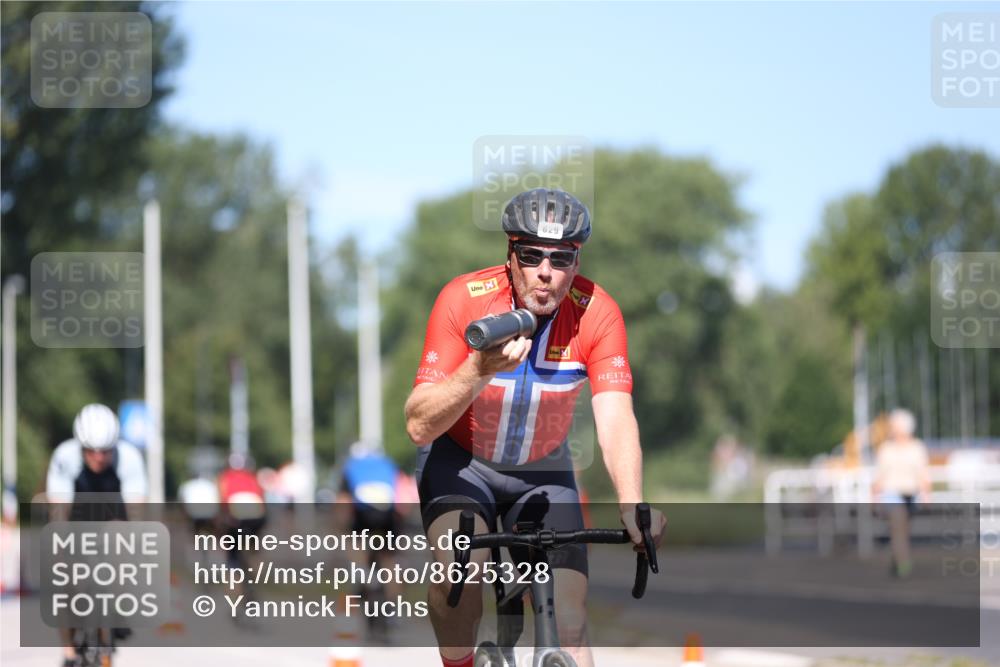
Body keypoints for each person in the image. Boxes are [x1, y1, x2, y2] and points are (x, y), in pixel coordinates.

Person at [404, 188, 666, 667]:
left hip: (543, 470)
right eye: (531, 255)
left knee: (570, 619)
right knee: (460, 575)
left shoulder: (598, 313)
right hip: (461, 463)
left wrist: (632, 503)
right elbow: (419, 424)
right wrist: (478, 369)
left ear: (576, 261)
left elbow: (615, 416)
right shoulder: (463, 299)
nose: (546, 271)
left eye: (561, 258)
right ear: (510, 255)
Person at [46, 403, 148, 667]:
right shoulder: (64, 457)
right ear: (81, 446)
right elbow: (58, 514)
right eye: (91, 451)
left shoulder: (130, 459)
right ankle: (69, 651)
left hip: (114, 519)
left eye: (105, 451)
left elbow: (137, 514)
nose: (99, 458)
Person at [336, 440, 404, 640]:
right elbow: (402, 496)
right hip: (387, 515)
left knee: (356, 547)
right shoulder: (388, 464)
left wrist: (341, 528)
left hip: (363, 515)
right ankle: (394, 608)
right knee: (390, 560)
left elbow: (343, 501)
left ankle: (362, 573)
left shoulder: (351, 466)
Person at [873, 408, 931, 578]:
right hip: (892, 493)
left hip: (911, 494)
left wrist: (926, 494)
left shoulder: (917, 447)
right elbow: (880, 477)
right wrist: (875, 498)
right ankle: (904, 563)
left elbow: (923, 474)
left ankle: (897, 557)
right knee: (898, 528)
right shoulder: (886, 449)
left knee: (903, 530)